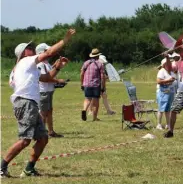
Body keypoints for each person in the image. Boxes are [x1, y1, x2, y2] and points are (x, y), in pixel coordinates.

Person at [1, 29, 76, 178]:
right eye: (29, 48)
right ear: (23, 53)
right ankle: (2, 167)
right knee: (25, 140)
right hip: (25, 103)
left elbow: (47, 78)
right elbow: (48, 54)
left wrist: (58, 66)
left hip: (31, 104)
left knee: (43, 138)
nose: (32, 49)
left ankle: (29, 169)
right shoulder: (26, 61)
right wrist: (65, 40)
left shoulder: (30, 68)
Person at [36, 43, 69, 138]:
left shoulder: (46, 63)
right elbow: (44, 78)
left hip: (48, 91)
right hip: (43, 91)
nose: (50, 52)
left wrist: (59, 65)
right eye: (47, 51)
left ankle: (50, 131)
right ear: (42, 52)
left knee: (49, 111)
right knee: (43, 112)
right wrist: (58, 79)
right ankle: (40, 133)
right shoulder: (40, 64)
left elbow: (51, 74)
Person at [80, 48, 106, 122]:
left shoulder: (86, 63)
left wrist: (82, 84)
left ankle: (84, 109)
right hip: (95, 85)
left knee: (87, 99)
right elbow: (102, 76)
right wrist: (103, 87)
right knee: (96, 101)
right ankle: (94, 118)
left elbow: (81, 73)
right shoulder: (100, 64)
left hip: (86, 84)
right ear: (98, 56)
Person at [156, 58, 176, 130]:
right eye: (168, 63)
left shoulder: (171, 72)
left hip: (170, 92)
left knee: (168, 109)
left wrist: (172, 80)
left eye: (170, 63)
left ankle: (168, 124)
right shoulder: (162, 71)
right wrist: (168, 80)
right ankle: (159, 124)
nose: (170, 64)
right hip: (162, 92)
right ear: (164, 64)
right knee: (161, 109)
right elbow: (158, 81)